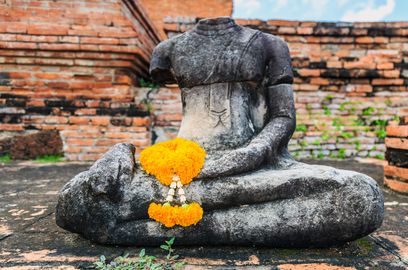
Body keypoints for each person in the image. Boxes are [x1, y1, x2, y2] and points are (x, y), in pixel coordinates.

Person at [56, 17, 384, 247]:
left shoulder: (270, 44)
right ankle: (190, 223)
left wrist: (250, 154)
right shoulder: (168, 48)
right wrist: (121, 151)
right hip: (179, 169)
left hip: (255, 168)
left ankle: (152, 230)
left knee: (359, 196)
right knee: (79, 200)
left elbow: (283, 118)